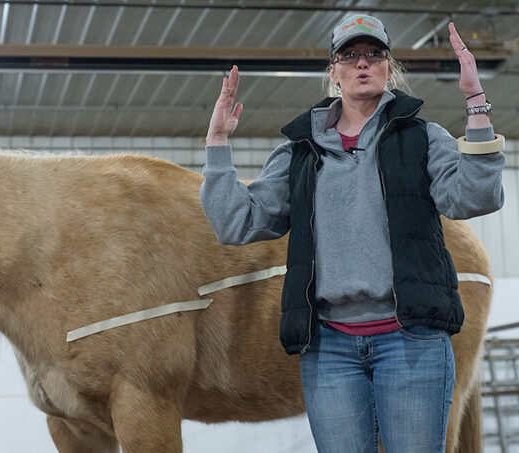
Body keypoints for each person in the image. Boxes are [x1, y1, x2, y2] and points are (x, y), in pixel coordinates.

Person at [200, 14, 506, 453]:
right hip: (330, 350)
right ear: (334, 71)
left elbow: (475, 197)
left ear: (387, 67)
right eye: (349, 55)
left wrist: (476, 101)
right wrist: (217, 145)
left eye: (373, 54)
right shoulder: (299, 152)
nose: (362, 63)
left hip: (412, 342)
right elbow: (236, 222)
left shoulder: (422, 138)